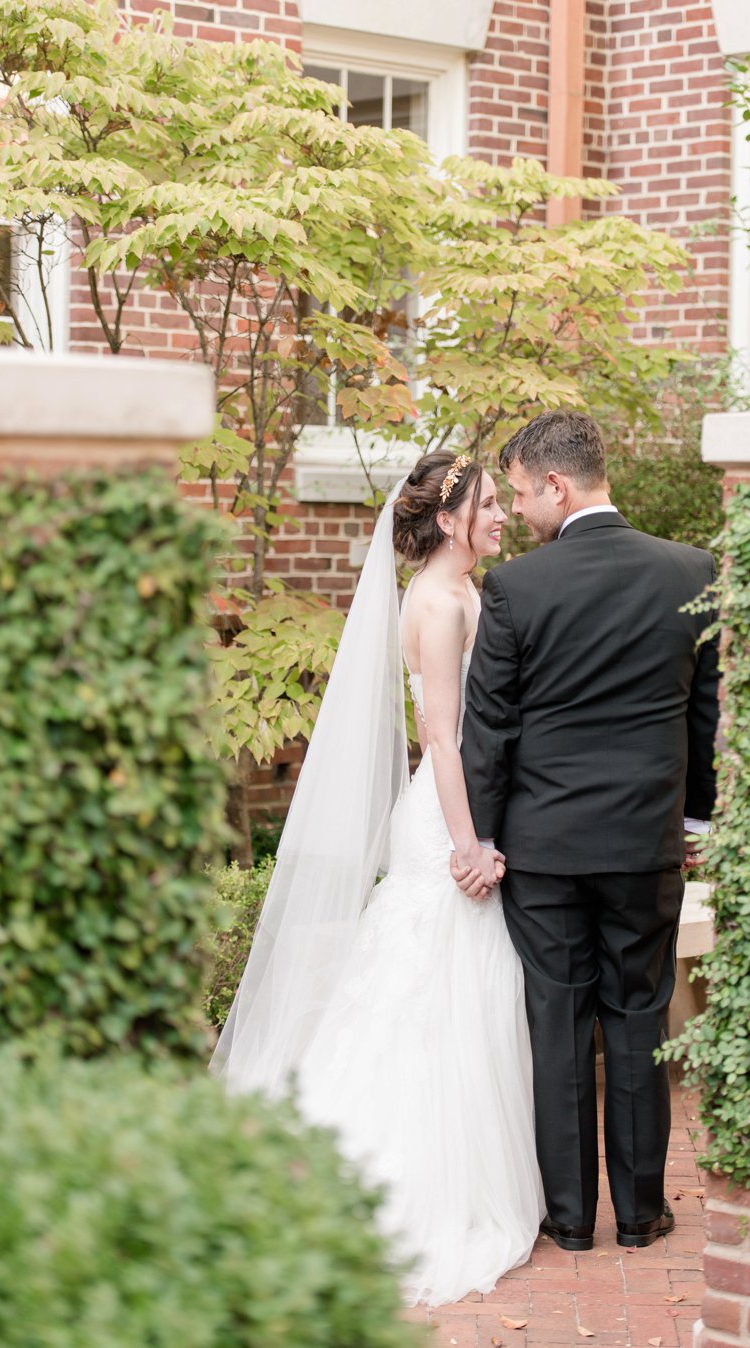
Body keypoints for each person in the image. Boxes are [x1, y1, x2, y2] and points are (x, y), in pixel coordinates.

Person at [211, 449, 543, 1308]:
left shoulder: (474, 591)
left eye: (505, 500)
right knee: (432, 987)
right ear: (446, 520)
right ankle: (404, 1187)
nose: (504, 513)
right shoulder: (434, 604)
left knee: (458, 985)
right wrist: (468, 844)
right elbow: (441, 735)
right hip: (446, 820)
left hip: (464, 806)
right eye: (488, 502)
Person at [457, 409, 719, 1253]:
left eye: (525, 494)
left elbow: (487, 732)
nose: (522, 513)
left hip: (545, 852)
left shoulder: (517, 590)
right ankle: (642, 1214)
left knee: (558, 1022)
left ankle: (568, 1218)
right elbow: (703, 721)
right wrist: (691, 819)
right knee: (640, 1016)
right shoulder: (690, 571)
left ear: (558, 485)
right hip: (646, 844)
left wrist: (485, 839)